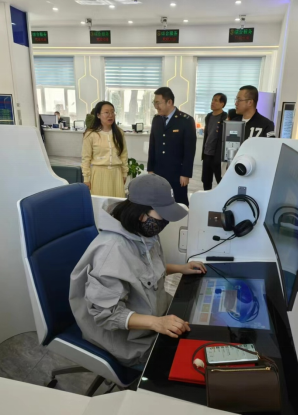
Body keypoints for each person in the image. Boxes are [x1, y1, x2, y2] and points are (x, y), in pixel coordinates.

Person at [69, 173, 206, 368]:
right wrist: (156, 323)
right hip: (126, 338)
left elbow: (142, 270)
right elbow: (106, 315)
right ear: (141, 214)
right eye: (163, 215)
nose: (166, 221)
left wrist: (180, 268)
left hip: (152, 317)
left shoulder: (143, 233)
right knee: (187, 363)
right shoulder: (112, 251)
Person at [148, 87, 196, 206]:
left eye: (158, 103)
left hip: (177, 172)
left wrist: (185, 174)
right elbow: (152, 145)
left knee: (179, 202)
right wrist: (150, 169)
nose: (156, 106)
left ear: (169, 102)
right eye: (154, 103)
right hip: (158, 171)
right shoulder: (156, 120)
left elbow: (189, 150)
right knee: (158, 201)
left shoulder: (186, 120)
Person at [81, 101, 128, 197]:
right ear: (98, 115)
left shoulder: (119, 133)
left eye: (112, 112)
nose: (110, 115)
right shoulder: (91, 134)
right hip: (98, 174)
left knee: (117, 204)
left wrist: (124, 173)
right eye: (106, 112)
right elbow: (86, 158)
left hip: (116, 174)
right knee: (100, 203)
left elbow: (124, 154)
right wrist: (86, 178)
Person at [201, 93, 228, 191]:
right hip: (207, 153)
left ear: (222, 104)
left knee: (220, 180)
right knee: (206, 180)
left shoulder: (225, 117)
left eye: (216, 100)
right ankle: (207, 197)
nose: (213, 102)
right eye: (212, 100)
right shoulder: (208, 116)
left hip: (218, 155)